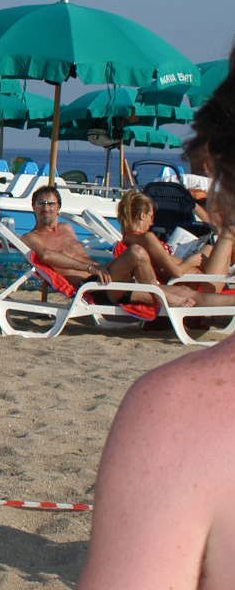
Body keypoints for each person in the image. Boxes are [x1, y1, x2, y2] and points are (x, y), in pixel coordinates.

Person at [82, 44, 235, 588]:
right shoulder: (137, 242)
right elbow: (156, 266)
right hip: (142, 294)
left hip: (163, 297)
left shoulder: (176, 414)